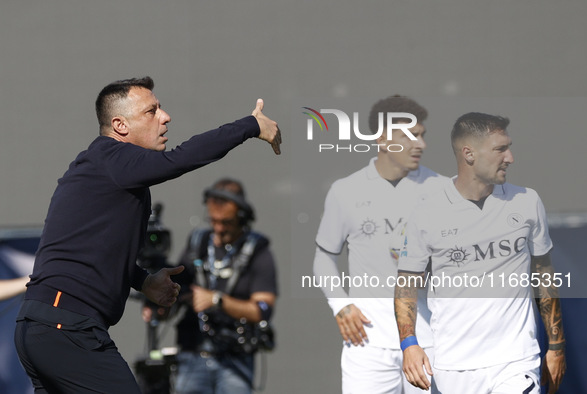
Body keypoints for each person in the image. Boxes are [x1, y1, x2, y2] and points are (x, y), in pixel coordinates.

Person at [14, 76, 281, 393]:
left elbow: (97, 250)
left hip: (43, 326)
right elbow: (180, 158)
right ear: (120, 125)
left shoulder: (112, 173)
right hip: (67, 327)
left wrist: (142, 280)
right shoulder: (112, 158)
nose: (165, 117)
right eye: (151, 111)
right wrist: (250, 125)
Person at [394, 112, 566, 394]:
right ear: (469, 154)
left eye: (508, 147)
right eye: (500, 149)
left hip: (516, 361)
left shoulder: (527, 201)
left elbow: (543, 275)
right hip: (453, 366)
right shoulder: (426, 212)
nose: (510, 157)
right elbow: (406, 285)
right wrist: (409, 344)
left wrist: (556, 346)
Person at [312, 96, 447, 393]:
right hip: (366, 345)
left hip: (430, 342)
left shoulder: (444, 190)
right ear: (383, 139)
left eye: (422, 136)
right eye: (409, 136)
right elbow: (323, 258)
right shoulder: (345, 191)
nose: (420, 145)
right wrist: (341, 304)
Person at [146, 178, 277, 394]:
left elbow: (263, 310)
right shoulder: (198, 243)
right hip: (192, 354)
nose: (218, 228)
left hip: (235, 359)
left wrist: (217, 301)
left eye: (226, 222)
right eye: (213, 221)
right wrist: (161, 306)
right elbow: (178, 286)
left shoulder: (258, 251)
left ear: (241, 217)